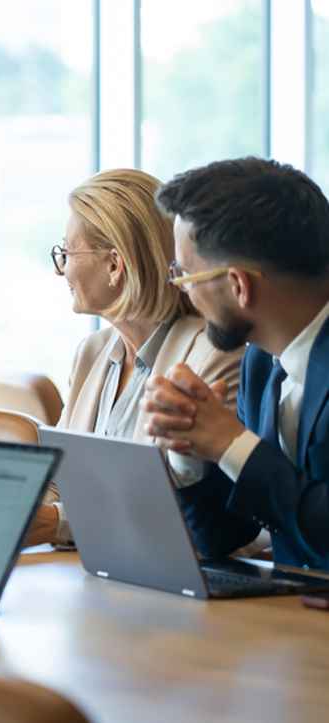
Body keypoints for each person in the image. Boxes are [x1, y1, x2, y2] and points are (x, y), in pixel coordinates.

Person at [26, 168, 245, 547]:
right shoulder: (91, 353)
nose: (61, 268)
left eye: (67, 252)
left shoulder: (214, 357)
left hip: (184, 579)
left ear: (114, 265)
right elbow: (59, 483)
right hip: (95, 570)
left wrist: (57, 524)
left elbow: (180, 509)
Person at [143, 157, 329, 570]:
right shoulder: (260, 361)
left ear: (238, 285)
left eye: (184, 277)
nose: (184, 295)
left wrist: (232, 443)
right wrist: (190, 452)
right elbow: (223, 537)